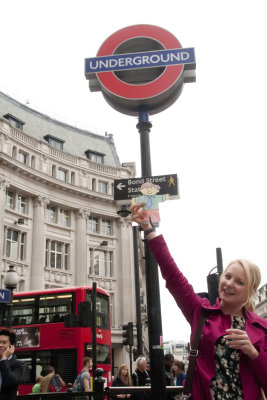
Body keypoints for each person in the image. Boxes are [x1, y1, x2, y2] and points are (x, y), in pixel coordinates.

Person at [131, 203, 267, 400]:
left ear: (251, 291)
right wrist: (149, 230)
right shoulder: (201, 312)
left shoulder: (261, 328)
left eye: (239, 282)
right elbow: (173, 276)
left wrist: (253, 353)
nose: (229, 284)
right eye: (227, 276)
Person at [0, 328, 25, 400]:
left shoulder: (19, 364)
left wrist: (4, 359)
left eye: (4, 342)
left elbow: (10, 382)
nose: (0, 345)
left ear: (11, 346)